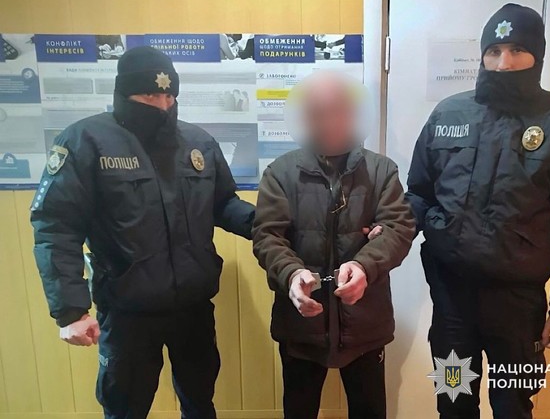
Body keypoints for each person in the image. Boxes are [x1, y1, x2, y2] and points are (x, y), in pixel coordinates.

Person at [31, 46, 255, 419]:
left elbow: (223, 204)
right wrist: (70, 311)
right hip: (128, 312)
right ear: (125, 93)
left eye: (169, 96)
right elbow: (56, 227)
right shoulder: (86, 141)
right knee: (125, 408)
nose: (162, 105)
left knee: (200, 401)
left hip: (193, 307)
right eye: (151, 95)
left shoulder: (197, 143)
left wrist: (270, 223)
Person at [406, 4, 550, 419]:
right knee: (453, 401)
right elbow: (419, 195)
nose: (504, 62)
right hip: (452, 302)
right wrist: (387, 232)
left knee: (513, 406)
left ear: (537, 55)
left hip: (518, 306)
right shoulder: (448, 114)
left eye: (517, 50)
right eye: (494, 51)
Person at [252, 71, 415, 419]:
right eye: (318, 112)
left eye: (338, 111)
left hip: (366, 325)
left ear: (353, 114)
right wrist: (291, 274)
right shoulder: (280, 173)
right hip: (300, 325)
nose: (329, 121)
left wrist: (364, 266)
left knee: (370, 412)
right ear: (304, 117)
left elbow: (399, 228)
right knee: (299, 411)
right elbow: (267, 236)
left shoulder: (381, 171)